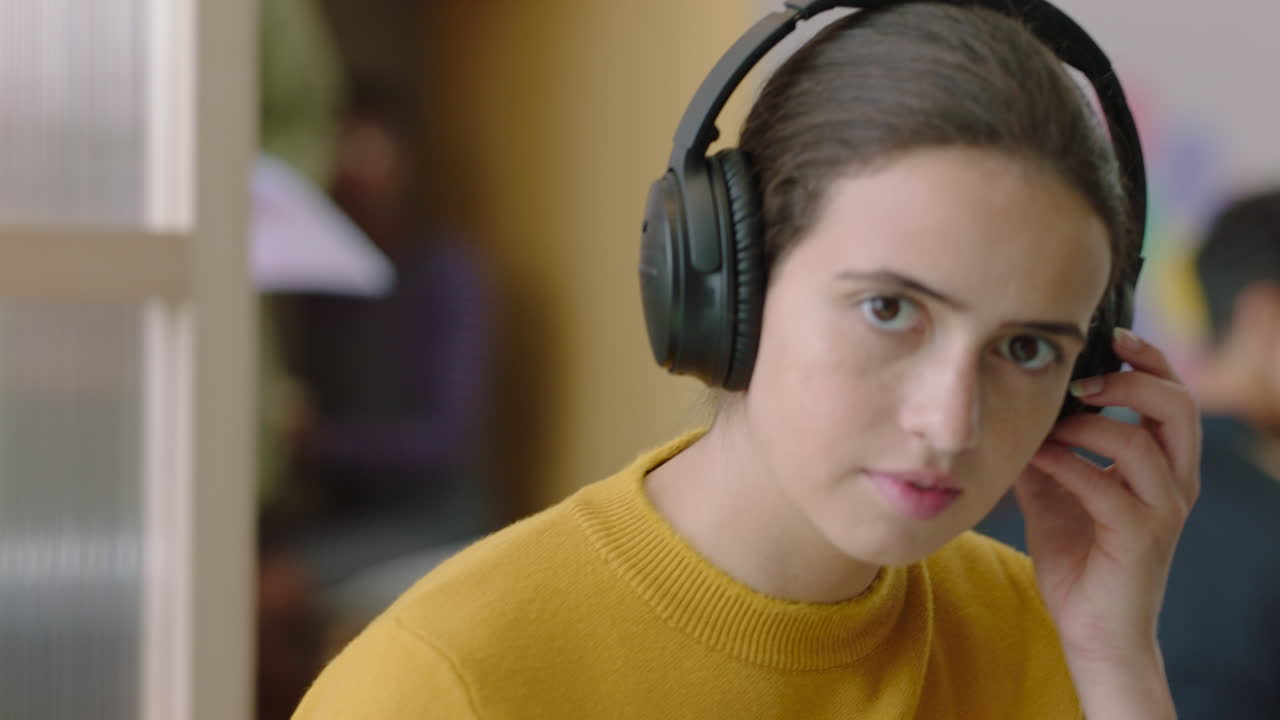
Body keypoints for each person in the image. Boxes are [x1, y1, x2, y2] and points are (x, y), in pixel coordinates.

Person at [293, 3, 1200, 717]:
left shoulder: (1054, 638)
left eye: (1028, 347)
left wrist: (1119, 666)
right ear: (730, 288)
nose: (950, 421)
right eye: (891, 309)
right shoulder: (446, 683)